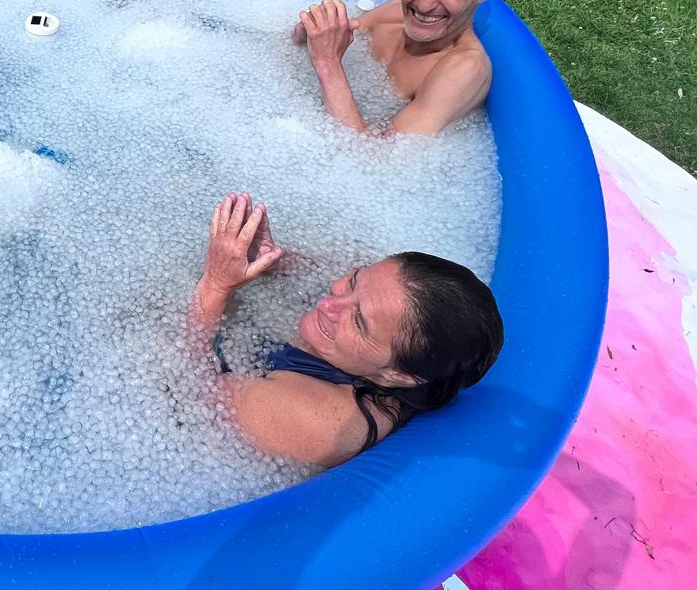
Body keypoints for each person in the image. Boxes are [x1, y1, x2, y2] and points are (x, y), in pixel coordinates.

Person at [187, 192, 502, 468]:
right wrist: (269, 259)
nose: (329, 303)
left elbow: (185, 391)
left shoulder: (321, 422)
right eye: (354, 280)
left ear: (398, 375)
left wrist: (216, 285)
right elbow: (319, 278)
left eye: (359, 322)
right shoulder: (384, 312)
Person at [292, 0, 504, 135]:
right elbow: (319, 45)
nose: (424, 4)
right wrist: (308, 32)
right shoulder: (395, 13)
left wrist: (327, 63)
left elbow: (373, 159)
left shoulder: (462, 69)